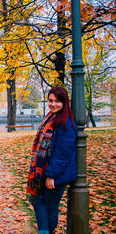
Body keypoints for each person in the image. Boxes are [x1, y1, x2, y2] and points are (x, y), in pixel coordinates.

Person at [27, 86, 77, 234]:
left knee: (50, 207)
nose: (53, 104)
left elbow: (62, 153)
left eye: (57, 101)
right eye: (50, 100)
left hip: (56, 175)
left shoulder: (66, 122)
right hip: (43, 171)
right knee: (37, 201)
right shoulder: (50, 117)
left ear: (64, 102)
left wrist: (51, 176)